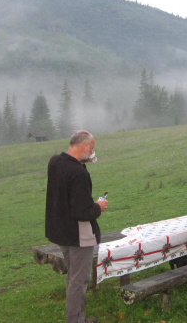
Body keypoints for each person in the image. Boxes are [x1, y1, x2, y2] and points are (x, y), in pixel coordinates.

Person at [45, 130, 108, 323]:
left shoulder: (55, 162)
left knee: (73, 276)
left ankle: (77, 316)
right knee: (79, 280)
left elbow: (66, 195)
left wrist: (83, 164)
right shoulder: (79, 173)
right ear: (85, 147)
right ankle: (75, 320)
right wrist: (98, 206)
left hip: (60, 231)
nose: (93, 152)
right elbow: (83, 212)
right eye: (92, 148)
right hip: (78, 235)